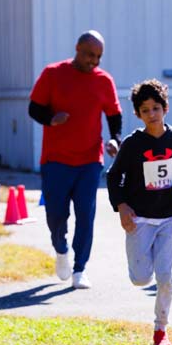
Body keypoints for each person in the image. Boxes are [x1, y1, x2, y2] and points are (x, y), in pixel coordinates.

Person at [106, 79, 172, 345]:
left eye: (156, 108)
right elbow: (114, 177)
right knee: (140, 278)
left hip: (169, 218)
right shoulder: (133, 143)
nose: (152, 114)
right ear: (138, 114)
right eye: (145, 110)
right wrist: (122, 207)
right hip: (140, 220)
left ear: (165, 108)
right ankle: (139, 267)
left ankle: (161, 329)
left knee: (165, 276)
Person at [29, 31, 123, 289]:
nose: (94, 61)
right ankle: (61, 249)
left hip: (90, 160)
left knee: (85, 214)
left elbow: (114, 115)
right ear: (77, 48)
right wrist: (50, 119)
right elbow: (34, 108)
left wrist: (115, 139)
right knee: (56, 214)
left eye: (99, 57)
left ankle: (80, 268)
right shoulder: (52, 73)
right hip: (56, 160)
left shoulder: (104, 81)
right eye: (90, 55)